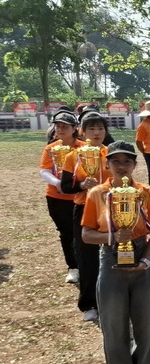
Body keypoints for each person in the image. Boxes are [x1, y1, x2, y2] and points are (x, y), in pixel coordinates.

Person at [81, 141, 150, 364]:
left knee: (146, 323)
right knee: (114, 323)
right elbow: (86, 234)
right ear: (107, 165)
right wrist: (113, 236)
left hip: (140, 255)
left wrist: (147, 259)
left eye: (127, 161)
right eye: (115, 161)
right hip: (110, 256)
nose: (121, 166)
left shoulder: (146, 192)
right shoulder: (97, 193)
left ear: (135, 165)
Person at [59, 112, 110, 321]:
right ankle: (89, 303)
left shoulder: (112, 153)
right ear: (82, 131)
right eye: (92, 129)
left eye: (100, 129)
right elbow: (65, 186)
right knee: (86, 257)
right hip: (84, 207)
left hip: (110, 208)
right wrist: (81, 185)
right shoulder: (74, 156)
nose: (97, 133)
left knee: (113, 254)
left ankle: (113, 299)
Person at [39, 110, 85, 284]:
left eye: (65, 126)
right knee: (66, 233)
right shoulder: (50, 148)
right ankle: (73, 267)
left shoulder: (84, 148)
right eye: (58, 126)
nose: (60, 129)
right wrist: (58, 183)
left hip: (79, 197)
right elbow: (44, 170)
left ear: (74, 128)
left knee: (82, 233)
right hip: (56, 197)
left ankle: (86, 264)